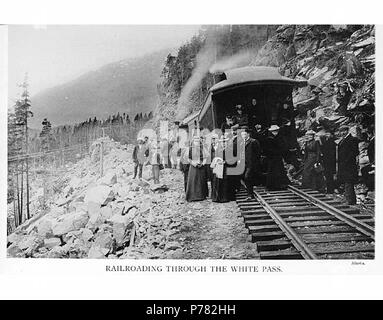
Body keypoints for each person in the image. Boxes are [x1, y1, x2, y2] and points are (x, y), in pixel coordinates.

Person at [337, 125, 359, 205]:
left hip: (349, 164)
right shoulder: (343, 140)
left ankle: (349, 200)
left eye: (344, 131)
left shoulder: (352, 139)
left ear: (347, 131)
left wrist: (346, 161)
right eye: (341, 131)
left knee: (349, 182)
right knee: (346, 181)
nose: (342, 133)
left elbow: (354, 152)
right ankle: (349, 199)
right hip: (344, 164)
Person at [263, 125, 290, 191]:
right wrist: (271, 153)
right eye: (274, 131)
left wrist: (281, 152)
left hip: (278, 157)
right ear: (271, 131)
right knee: (272, 171)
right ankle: (272, 186)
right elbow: (266, 149)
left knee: (279, 170)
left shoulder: (280, 138)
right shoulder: (268, 138)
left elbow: (284, 147)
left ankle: (280, 185)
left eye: (276, 131)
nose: (275, 133)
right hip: (271, 158)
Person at [238, 126, 261, 200]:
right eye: (242, 134)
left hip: (251, 164)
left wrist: (255, 163)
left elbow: (258, 153)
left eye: (244, 134)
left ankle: (250, 194)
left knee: (247, 177)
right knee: (243, 177)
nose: (243, 136)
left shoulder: (253, 141)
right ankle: (249, 192)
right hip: (243, 163)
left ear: (248, 134)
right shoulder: (241, 143)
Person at [210, 136, 236, 202]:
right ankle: (218, 197)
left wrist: (225, 162)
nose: (223, 144)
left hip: (227, 167)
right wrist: (217, 161)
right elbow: (214, 158)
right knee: (219, 182)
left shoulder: (230, 149)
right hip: (219, 167)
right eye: (222, 142)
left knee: (227, 182)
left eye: (225, 142)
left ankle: (226, 197)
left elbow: (234, 159)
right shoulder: (218, 150)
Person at [185, 135, 209, 202]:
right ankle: (193, 196)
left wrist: (203, 163)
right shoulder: (190, 148)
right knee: (193, 180)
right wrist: (193, 163)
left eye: (198, 141)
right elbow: (188, 158)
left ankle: (201, 196)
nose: (196, 142)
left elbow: (205, 156)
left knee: (201, 180)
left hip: (201, 166)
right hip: (193, 166)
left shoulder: (202, 148)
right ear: (193, 141)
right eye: (195, 141)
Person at [318, 129, 336, 193]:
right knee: (327, 175)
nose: (327, 135)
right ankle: (329, 189)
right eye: (326, 134)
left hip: (331, 161)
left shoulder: (333, 142)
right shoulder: (325, 141)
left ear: (331, 135)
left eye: (328, 134)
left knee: (330, 175)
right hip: (326, 160)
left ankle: (331, 189)